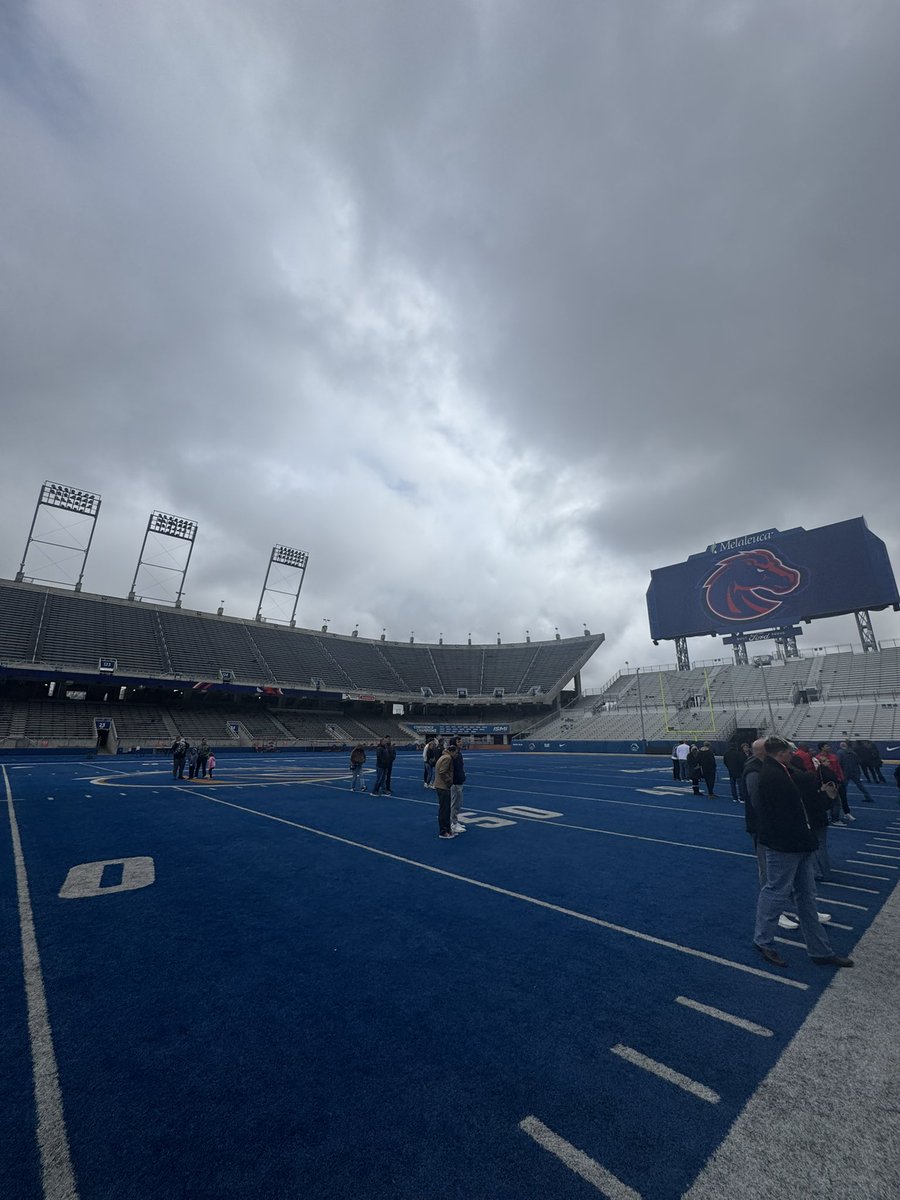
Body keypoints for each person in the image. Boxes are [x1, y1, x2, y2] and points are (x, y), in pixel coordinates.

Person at [752, 736, 852, 969]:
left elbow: (802, 788)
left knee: (807, 896)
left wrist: (821, 791)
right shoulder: (772, 775)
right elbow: (790, 804)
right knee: (776, 892)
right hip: (785, 844)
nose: (793, 755)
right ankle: (763, 940)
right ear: (781, 754)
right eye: (789, 752)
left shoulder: (782, 770)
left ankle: (820, 950)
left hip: (799, 842)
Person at [813, 742, 852, 822]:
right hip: (828, 782)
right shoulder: (818, 758)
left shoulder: (833, 756)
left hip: (838, 780)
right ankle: (832, 816)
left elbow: (838, 768)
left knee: (843, 797)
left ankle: (847, 813)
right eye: (826, 746)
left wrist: (841, 778)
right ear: (822, 748)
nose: (829, 747)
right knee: (831, 800)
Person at [434, 743, 455, 838]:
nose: (456, 755)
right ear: (451, 751)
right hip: (443, 787)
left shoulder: (443, 756)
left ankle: (447, 829)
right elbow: (442, 771)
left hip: (440, 786)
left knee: (445, 809)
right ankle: (443, 831)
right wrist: (449, 781)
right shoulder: (448, 758)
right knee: (445, 810)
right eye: (455, 753)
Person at [449, 742, 467, 834]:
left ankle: (455, 821)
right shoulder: (452, 757)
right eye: (459, 741)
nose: (461, 743)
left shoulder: (458, 755)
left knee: (458, 803)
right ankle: (453, 823)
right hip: (455, 783)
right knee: (455, 803)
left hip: (459, 781)